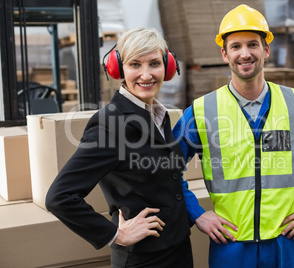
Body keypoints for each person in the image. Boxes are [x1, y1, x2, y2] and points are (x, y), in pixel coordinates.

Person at [173, 4, 294, 268]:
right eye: (235, 46)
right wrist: (196, 214)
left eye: (252, 45)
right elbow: (166, 167)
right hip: (231, 246)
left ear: (266, 49)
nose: (245, 54)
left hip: (286, 243)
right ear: (224, 53)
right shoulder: (202, 111)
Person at [46, 27, 193, 268]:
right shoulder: (110, 123)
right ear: (119, 69)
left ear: (166, 68)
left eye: (154, 63)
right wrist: (115, 234)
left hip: (177, 250)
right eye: (135, 64)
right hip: (144, 259)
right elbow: (59, 197)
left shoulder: (158, 114)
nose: (146, 75)